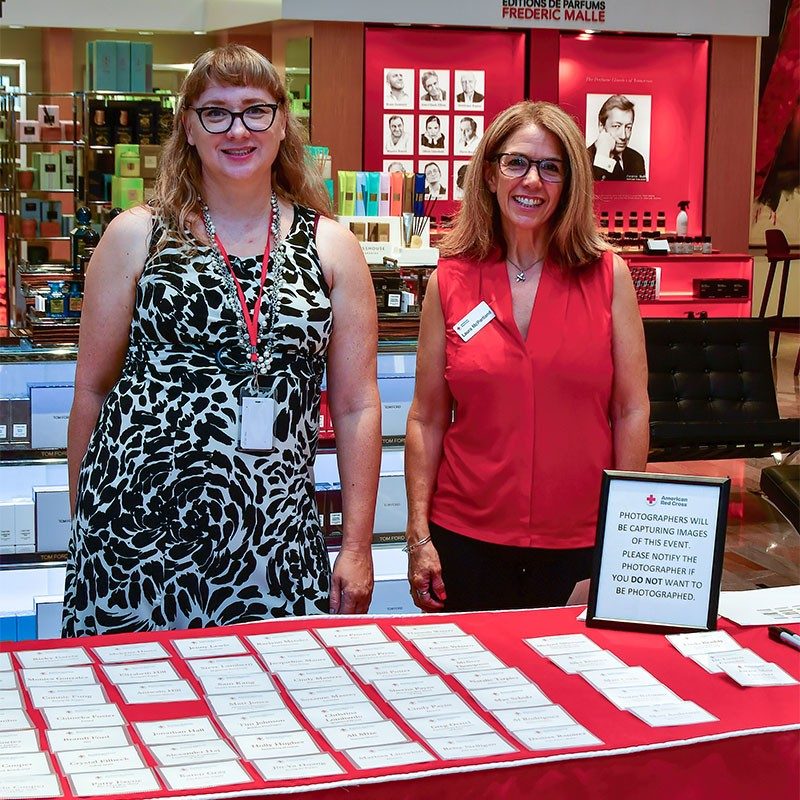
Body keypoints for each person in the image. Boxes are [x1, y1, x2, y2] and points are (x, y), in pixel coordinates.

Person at [62, 44, 381, 636]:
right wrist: (84, 518)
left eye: (255, 110)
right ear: (188, 126)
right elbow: (92, 389)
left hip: (274, 534)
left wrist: (357, 544)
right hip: (134, 532)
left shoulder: (332, 247)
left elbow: (358, 406)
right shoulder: (134, 236)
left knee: (270, 711)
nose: (238, 129)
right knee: (134, 708)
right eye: (216, 112)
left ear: (283, 123)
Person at [404, 100, 649, 613]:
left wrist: (624, 539)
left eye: (550, 167)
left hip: (581, 542)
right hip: (465, 540)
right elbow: (427, 418)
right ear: (491, 175)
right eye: (517, 163)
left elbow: (631, 411)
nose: (531, 180)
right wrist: (419, 537)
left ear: (569, 182)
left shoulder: (609, 277)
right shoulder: (448, 281)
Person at [587, 95, 647, 181]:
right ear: (601, 126)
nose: (623, 136)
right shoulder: (584, 158)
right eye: (616, 126)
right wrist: (602, 156)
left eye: (628, 127)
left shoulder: (637, 159)